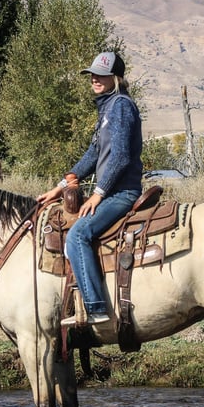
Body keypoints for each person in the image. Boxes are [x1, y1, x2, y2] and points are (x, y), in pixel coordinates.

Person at [37, 51, 143, 326]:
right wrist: (60, 187)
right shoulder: (107, 108)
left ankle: (95, 308)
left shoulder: (120, 106)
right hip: (112, 191)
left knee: (78, 234)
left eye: (102, 75)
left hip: (122, 193)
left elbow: (120, 157)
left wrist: (99, 192)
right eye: (93, 74)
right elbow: (93, 154)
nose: (95, 79)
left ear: (116, 78)